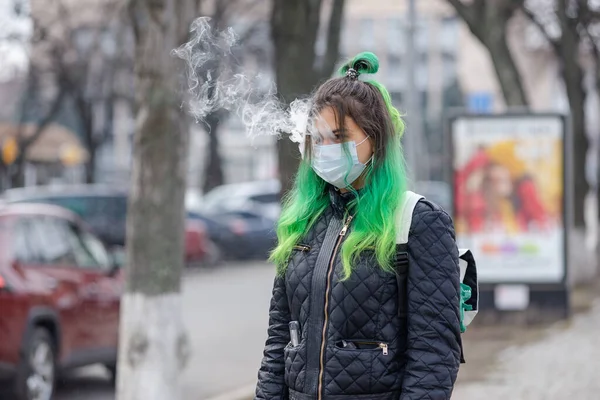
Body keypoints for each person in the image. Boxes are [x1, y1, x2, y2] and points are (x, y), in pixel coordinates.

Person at [255, 52, 462, 400]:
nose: (325, 149)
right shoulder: (304, 223)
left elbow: (434, 354)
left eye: (339, 136)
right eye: (317, 139)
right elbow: (279, 338)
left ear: (375, 138)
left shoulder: (418, 222)